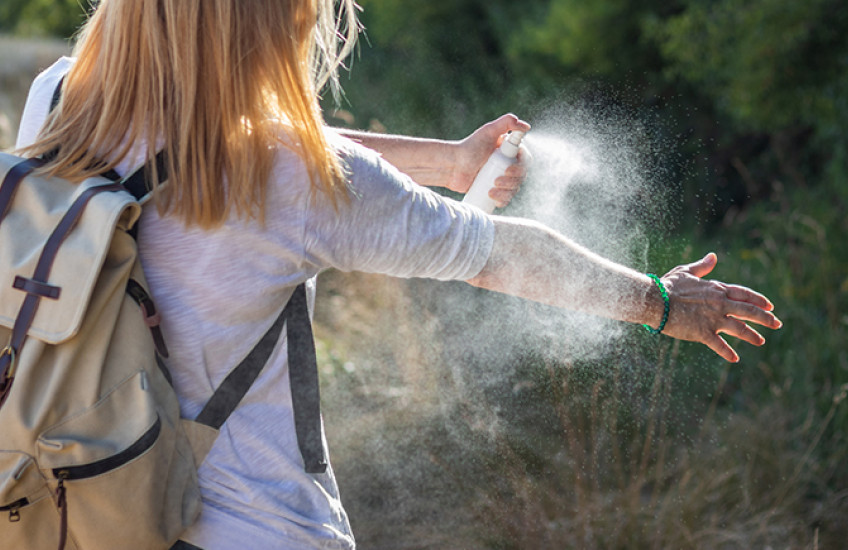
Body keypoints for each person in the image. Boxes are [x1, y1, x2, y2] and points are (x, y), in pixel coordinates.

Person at [14, 1, 781, 549]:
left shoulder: (61, 99)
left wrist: (448, 161)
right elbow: (500, 254)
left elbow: (246, 133)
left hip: (83, 511)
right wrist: (661, 302)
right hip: (257, 528)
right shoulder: (286, 180)